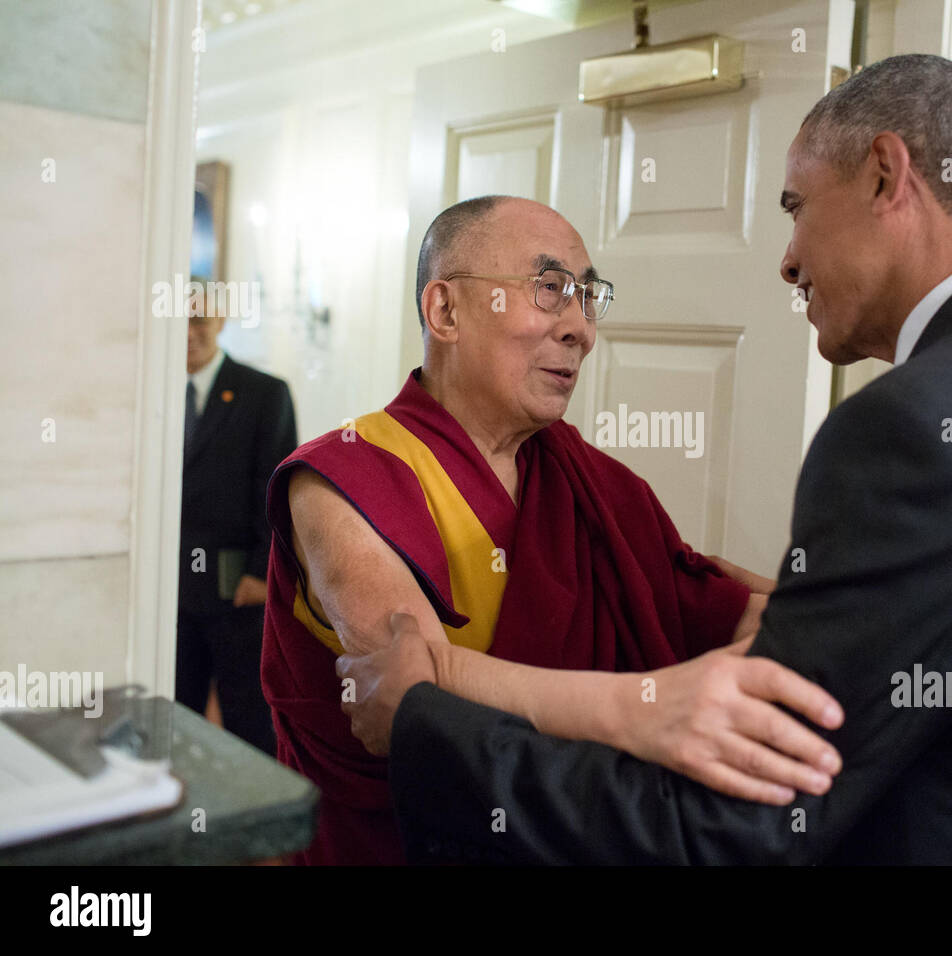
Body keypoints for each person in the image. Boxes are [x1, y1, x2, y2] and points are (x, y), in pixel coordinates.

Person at [338, 54, 952, 865]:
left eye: (795, 207)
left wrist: (429, 722)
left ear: (884, 175)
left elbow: (741, 824)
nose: (788, 261)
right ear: (443, 310)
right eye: (548, 290)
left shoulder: (906, 432)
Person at [261, 196, 845, 865]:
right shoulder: (340, 478)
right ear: (445, 310)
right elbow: (413, 698)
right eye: (549, 289)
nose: (582, 329)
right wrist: (653, 708)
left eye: (588, 296)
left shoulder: (597, 487)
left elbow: (717, 608)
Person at [177, 281, 297, 756]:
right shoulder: (152, 395)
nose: (188, 333)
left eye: (199, 321)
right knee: (177, 717)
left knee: (248, 719)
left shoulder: (263, 393)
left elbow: (279, 491)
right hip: (170, 593)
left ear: (221, 322)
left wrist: (261, 571)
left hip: (237, 591)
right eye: (179, 321)